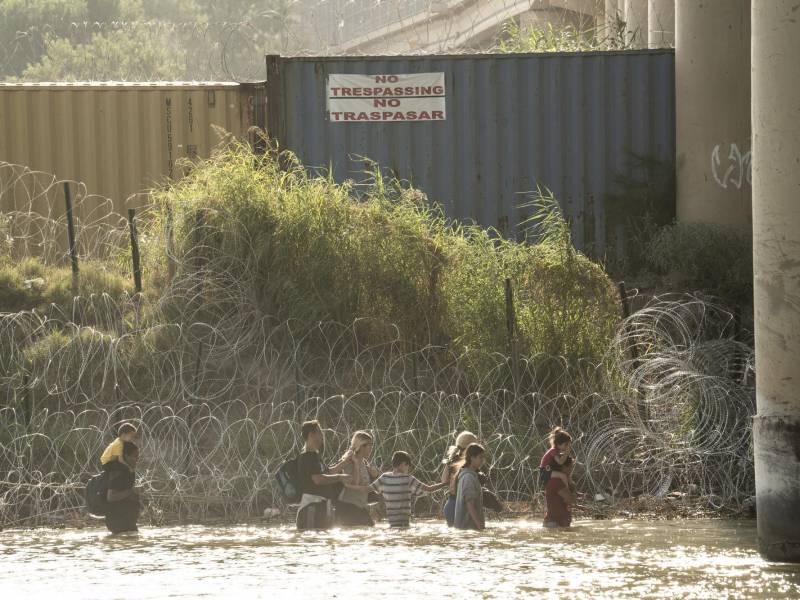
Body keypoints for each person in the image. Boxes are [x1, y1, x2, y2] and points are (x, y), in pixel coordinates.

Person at [295, 420, 352, 530]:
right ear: (311, 435)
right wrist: (340, 477)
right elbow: (318, 479)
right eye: (319, 432)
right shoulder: (308, 457)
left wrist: (345, 462)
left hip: (320, 507)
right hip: (311, 509)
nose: (322, 435)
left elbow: (328, 472)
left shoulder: (315, 456)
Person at [368, 451, 446, 528]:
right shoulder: (408, 479)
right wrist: (445, 484)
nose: (408, 468)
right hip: (404, 523)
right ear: (402, 464)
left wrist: (356, 486)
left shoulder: (385, 477)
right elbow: (429, 489)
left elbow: (368, 489)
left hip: (392, 523)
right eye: (407, 465)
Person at [336, 431, 379, 527]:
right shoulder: (349, 461)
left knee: (369, 528)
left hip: (360, 505)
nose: (371, 448)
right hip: (348, 506)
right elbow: (354, 483)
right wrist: (355, 465)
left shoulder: (364, 462)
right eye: (370, 445)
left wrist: (374, 474)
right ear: (362, 446)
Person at [440, 430, 478, 526]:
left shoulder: (452, 459)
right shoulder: (469, 462)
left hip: (450, 504)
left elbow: (444, 480)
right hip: (461, 505)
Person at [105, 441, 142, 534]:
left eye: (138, 456)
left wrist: (137, 492)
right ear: (126, 456)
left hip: (128, 521)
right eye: (135, 456)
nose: (137, 459)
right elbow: (111, 497)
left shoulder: (130, 472)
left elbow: (127, 493)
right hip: (119, 522)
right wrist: (132, 491)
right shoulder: (118, 472)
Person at [454, 443, 486, 530]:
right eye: (480, 457)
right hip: (468, 527)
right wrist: (480, 526)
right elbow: (470, 504)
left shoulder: (469, 475)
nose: (483, 460)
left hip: (467, 527)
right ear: (472, 458)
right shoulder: (468, 477)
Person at [543, 457, 576, 528]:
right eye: (570, 467)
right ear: (563, 467)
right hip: (555, 524)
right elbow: (570, 499)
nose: (571, 470)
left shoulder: (560, 481)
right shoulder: (557, 481)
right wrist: (572, 485)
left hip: (558, 523)